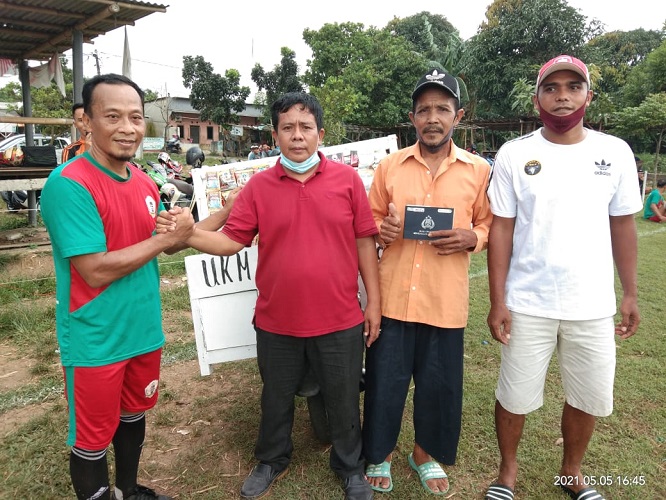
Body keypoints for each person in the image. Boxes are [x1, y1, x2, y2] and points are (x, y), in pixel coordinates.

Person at [162, 92, 380, 500]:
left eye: (306, 127)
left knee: (344, 397)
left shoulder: (347, 181)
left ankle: (350, 466)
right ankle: (271, 458)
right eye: (288, 128)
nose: (297, 136)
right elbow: (231, 240)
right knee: (276, 397)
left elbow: (365, 242)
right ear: (275, 135)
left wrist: (375, 306)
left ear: (320, 134)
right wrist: (189, 235)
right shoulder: (259, 187)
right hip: (277, 320)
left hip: (340, 318)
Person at [484, 55, 641, 500]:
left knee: (587, 393)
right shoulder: (515, 153)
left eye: (574, 86)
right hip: (527, 300)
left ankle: (572, 472)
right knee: (514, 394)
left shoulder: (615, 151)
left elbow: (623, 225)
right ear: (537, 99)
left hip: (591, 304)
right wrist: (498, 300)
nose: (563, 96)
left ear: (589, 95)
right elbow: (501, 228)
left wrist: (630, 292)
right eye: (551, 88)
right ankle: (507, 473)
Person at [39, 73, 199, 500]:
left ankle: (128, 490)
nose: (127, 128)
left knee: (133, 416)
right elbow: (94, 270)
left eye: (135, 117)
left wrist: (227, 212)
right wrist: (164, 240)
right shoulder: (69, 184)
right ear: (86, 122)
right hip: (96, 338)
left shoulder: (143, 181)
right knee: (92, 438)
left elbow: (168, 242)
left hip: (143, 329)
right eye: (112, 116)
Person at [363, 68, 493, 495]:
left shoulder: (478, 171)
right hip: (394, 296)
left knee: (439, 386)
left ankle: (424, 453)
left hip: (444, 300)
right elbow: (370, 221)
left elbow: (490, 224)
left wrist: (473, 237)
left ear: (459, 115)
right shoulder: (390, 167)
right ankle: (380, 453)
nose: (432, 118)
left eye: (442, 109)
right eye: (423, 110)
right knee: (385, 383)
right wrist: (381, 230)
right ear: (412, 117)